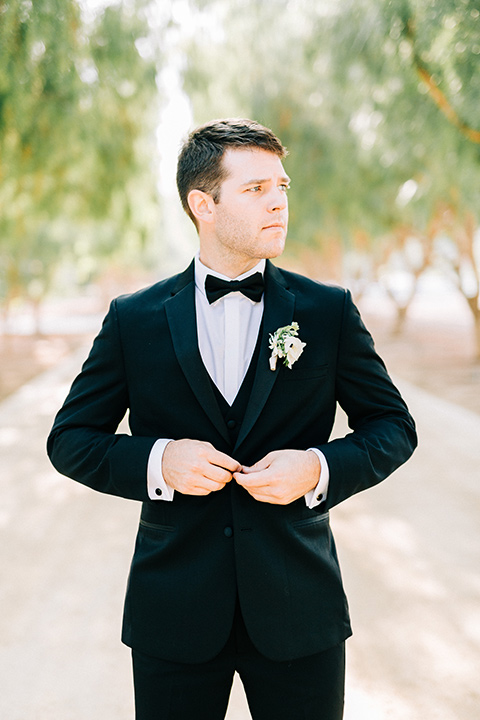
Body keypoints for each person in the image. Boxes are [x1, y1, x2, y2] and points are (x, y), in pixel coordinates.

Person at [47, 118, 417, 720]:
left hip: (301, 609)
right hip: (175, 612)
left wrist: (320, 468)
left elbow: (394, 427)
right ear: (203, 204)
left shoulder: (327, 312)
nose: (278, 202)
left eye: (282, 186)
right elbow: (70, 440)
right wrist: (157, 460)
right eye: (255, 189)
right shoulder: (133, 319)